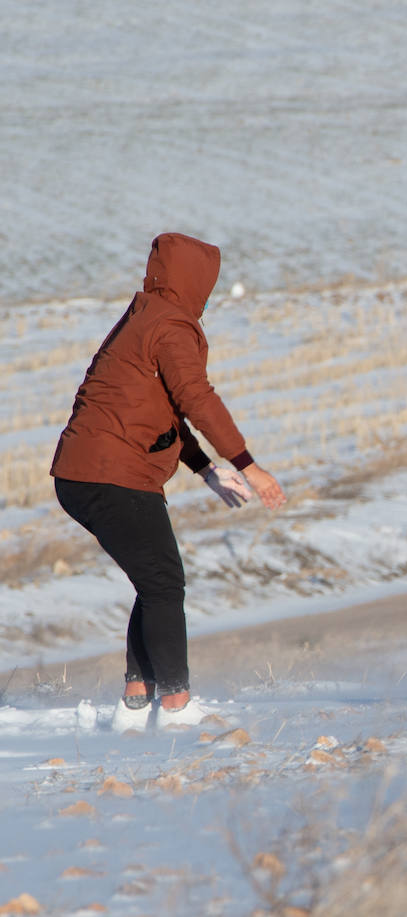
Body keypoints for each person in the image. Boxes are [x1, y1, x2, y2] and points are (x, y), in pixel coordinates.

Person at [50, 232, 286, 732]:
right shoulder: (173, 325)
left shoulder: (144, 316)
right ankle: (176, 707)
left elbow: (164, 411)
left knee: (152, 580)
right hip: (113, 474)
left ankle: (136, 705)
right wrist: (248, 464)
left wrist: (203, 469)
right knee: (164, 582)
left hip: (86, 472)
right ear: (197, 282)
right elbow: (197, 399)